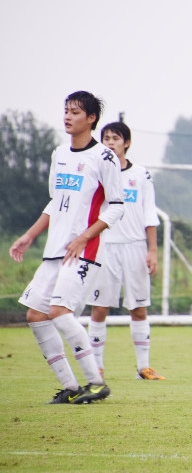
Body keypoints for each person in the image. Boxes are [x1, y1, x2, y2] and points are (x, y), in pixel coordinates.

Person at [9, 91, 124, 404]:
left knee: (59, 311)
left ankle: (96, 382)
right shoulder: (59, 154)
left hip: (84, 251)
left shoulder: (104, 157)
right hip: (54, 251)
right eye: (66, 111)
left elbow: (116, 206)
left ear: (91, 119)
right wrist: (29, 235)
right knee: (35, 315)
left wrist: (84, 236)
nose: (68, 116)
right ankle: (71, 387)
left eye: (75, 112)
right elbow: (55, 202)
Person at [85, 121, 165, 380]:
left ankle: (144, 367)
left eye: (115, 138)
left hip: (135, 248)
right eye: (106, 137)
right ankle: (96, 367)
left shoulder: (141, 174)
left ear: (126, 143)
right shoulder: (97, 172)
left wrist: (152, 251)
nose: (110, 142)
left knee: (139, 308)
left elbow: (149, 214)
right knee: (99, 307)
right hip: (104, 247)